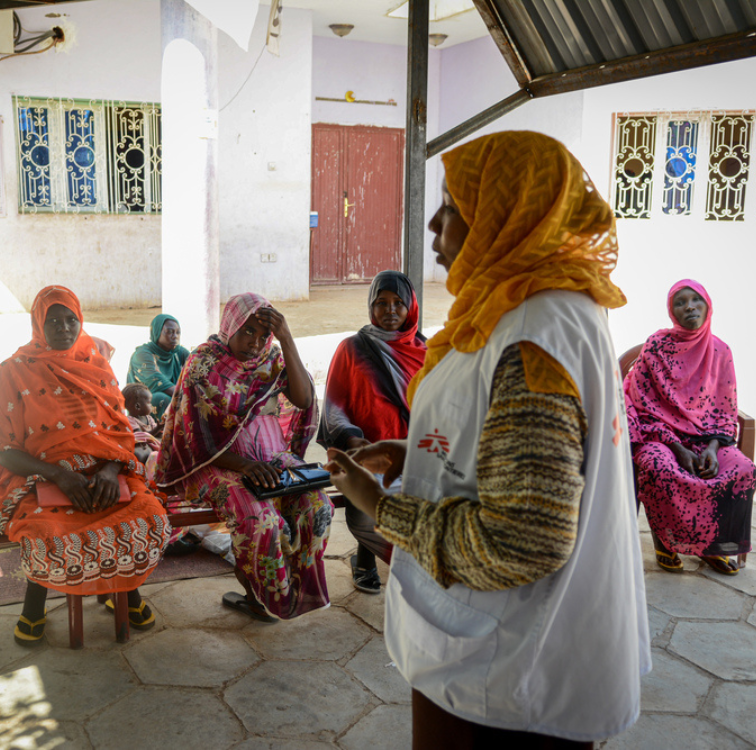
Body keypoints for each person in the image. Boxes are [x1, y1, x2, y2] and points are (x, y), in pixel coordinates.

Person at [325, 131, 650, 747]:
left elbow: (521, 541)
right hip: (507, 656)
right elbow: (516, 448)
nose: (434, 227)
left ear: (504, 217)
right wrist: (418, 451)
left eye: (452, 208)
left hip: (506, 675)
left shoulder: (532, 337)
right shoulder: (540, 311)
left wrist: (383, 508)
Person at [0, 286, 170, 643]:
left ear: (80, 320)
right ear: (38, 324)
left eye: (71, 319)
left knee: (149, 518)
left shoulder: (96, 365)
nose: (63, 328)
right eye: (52, 320)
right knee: (45, 536)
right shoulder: (13, 372)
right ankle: (33, 608)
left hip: (103, 471)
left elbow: (120, 431)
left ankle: (127, 594)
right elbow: (4, 449)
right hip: (40, 475)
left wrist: (111, 471)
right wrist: (58, 475)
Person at [156, 292, 332, 621]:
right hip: (216, 464)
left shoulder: (273, 358)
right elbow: (196, 439)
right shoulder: (204, 361)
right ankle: (271, 598)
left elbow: (305, 399)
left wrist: (287, 339)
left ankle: (298, 586)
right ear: (230, 325)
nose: (255, 342)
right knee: (260, 519)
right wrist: (247, 466)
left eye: (264, 334)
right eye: (248, 331)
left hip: (271, 459)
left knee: (317, 506)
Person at [625, 280, 754, 575]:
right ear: (671, 312)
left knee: (742, 468)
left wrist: (711, 448)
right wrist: (678, 448)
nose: (689, 307)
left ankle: (712, 546)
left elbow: (725, 407)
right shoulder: (656, 346)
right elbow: (642, 404)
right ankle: (666, 542)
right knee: (659, 466)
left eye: (696, 300)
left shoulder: (721, 351)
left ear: (708, 306)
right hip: (660, 435)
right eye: (680, 302)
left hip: (709, 438)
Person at [318, 270, 427, 594]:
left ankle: (421, 568)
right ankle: (382, 563)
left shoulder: (427, 351)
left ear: (412, 307)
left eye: (398, 303)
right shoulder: (352, 348)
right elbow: (334, 406)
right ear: (370, 306)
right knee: (367, 520)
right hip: (366, 457)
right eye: (381, 303)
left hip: (414, 456)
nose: (390, 310)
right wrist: (352, 439)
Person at [127, 313, 189, 418]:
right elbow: (158, 382)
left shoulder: (179, 353)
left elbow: (197, 371)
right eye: (170, 332)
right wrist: (189, 396)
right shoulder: (143, 354)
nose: (175, 336)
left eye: (178, 332)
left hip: (176, 397)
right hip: (142, 408)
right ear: (157, 331)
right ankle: (164, 432)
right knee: (161, 398)